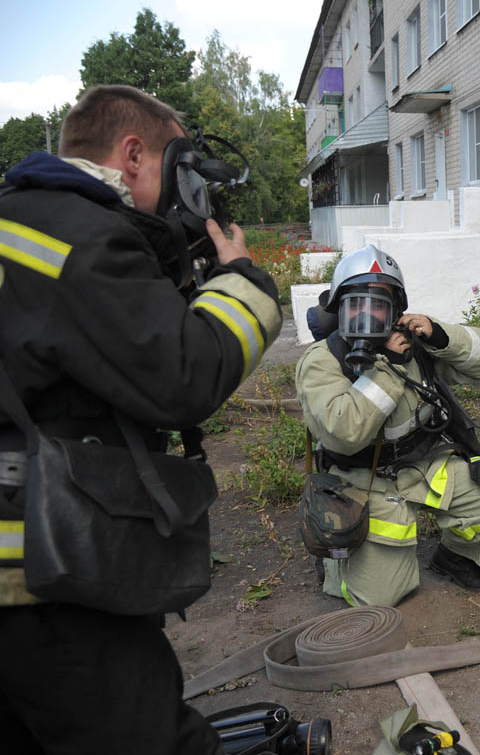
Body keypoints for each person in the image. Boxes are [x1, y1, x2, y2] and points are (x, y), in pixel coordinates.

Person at [0, 85, 281, 752]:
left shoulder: (18, 223)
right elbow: (182, 375)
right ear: (132, 155)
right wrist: (241, 282)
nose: (189, 191)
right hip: (42, 583)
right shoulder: (74, 233)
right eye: (179, 167)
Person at [295, 244, 480, 606]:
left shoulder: (414, 344)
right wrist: (390, 369)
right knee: (381, 599)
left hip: (424, 466)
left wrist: (441, 336)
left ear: (396, 311)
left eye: (378, 306)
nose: (367, 317)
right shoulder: (322, 361)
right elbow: (344, 432)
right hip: (363, 482)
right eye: (356, 305)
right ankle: (335, 561)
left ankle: (455, 557)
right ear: (339, 309)